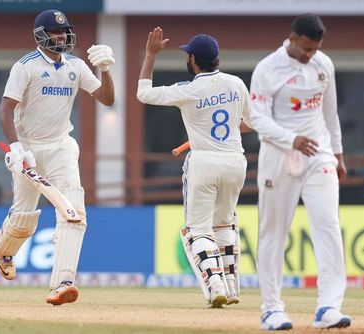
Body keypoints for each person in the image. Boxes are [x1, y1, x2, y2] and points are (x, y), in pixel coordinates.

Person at [0, 9, 115, 306]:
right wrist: (17, 148)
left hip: (61, 146)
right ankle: (3, 249)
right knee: (23, 219)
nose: (62, 36)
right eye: (56, 32)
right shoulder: (26, 67)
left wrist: (107, 69)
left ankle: (63, 282)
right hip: (28, 147)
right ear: (41, 35)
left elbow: (108, 100)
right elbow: (5, 109)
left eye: (64, 31)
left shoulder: (76, 65)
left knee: (74, 211)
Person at [249, 14, 351, 330]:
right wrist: (291, 139)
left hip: (318, 155)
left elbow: (329, 113)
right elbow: (258, 120)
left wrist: (338, 154)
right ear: (292, 39)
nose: (310, 55)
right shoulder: (267, 69)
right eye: (306, 49)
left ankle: (329, 307)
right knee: (274, 231)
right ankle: (272, 309)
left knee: (329, 226)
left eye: (315, 49)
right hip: (280, 155)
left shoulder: (323, 64)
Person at [137, 28, 251, 308]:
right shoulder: (236, 84)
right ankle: (232, 287)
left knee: (198, 231)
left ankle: (215, 286)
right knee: (224, 224)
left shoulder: (187, 90)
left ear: (192, 60)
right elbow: (248, 124)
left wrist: (150, 55)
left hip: (205, 161)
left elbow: (143, 94)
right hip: (235, 160)